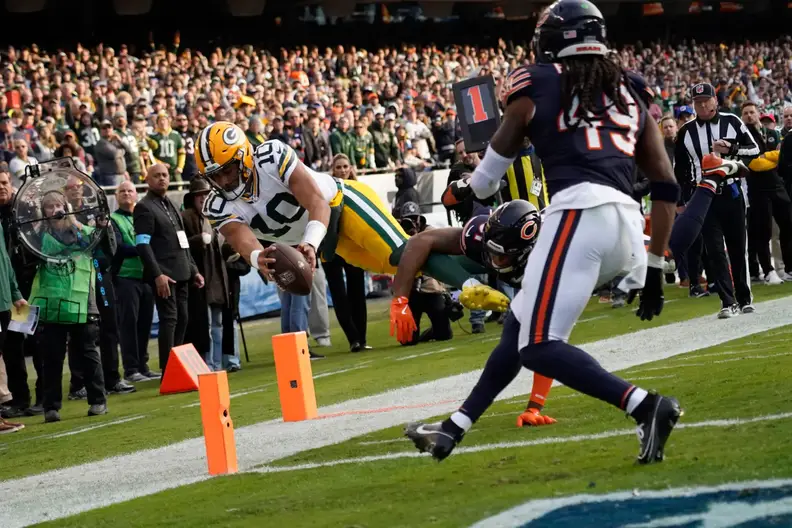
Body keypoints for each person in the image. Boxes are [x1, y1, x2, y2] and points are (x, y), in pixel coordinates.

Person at [406, 0, 682, 464]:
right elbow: (665, 183)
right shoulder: (631, 92)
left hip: (578, 214)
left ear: (553, 40)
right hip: (628, 227)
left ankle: (645, 405)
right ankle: (455, 427)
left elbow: (490, 177)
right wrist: (655, 267)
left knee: (536, 346)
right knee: (519, 325)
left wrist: (467, 186)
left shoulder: (536, 81)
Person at [194, 122, 508, 314]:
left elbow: (317, 201)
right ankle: (497, 257)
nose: (222, 180)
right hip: (326, 241)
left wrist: (309, 245)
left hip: (343, 203)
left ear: (244, 156)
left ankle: (469, 286)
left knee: (403, 252)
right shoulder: (217, 204)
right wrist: (258, 257)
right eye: (214, 175)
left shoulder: (271, 157)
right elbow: (240, 237)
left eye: (227, 170)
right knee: (404, 265)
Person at [392, 199, 555, 426]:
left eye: (501, 256)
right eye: (490, 250)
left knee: (529, 332)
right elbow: (422, 240)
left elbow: (547, 340)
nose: (493, 260)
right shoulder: (482, 235)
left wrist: (535, 407)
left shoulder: (547, 259)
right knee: (411, 253)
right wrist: (400, 300)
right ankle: (469, 284)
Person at [674, 82, 760, 318]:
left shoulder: (732, 121)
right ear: (693, 104)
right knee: (714, 250)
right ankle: (727, 301)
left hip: (731, 192)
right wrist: (683, 199)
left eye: (706, 100)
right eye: (697, 102)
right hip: (704, 196)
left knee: (737, 247)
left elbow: (754, 150)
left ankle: (744, 298)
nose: (702, 105)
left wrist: (731, 148)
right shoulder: (686, 132)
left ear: (715, 100)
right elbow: (680, 169)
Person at [32, 191, 114, 422]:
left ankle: (98, 400)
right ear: (43, 212)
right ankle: (51, 407)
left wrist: (103, 228)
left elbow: (106, 254)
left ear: (67, 206)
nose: (56, 209)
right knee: (52, 357)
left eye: (59, 204)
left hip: (83, 303)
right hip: (52, 304)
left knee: (89, 353)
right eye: (50, 206)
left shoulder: (83, 232)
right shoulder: (36, 237)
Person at [134, 164, 204, 375]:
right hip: (165, 275)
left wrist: (194, 269)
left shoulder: (172, 204)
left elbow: (183, 242)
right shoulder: (144, 207)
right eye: (157, 176)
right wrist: (157, 275)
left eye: (165, 175)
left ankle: (177, 365)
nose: (162, 179)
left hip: (183, 272)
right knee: (170, 320)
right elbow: (142, 244)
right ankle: (168, 369)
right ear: (147, 179)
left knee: (182, 318)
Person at [110, 181, 158, 382]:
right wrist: (144, 249)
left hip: (146, 276)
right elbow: (119, 247)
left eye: (130, 190)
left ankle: (143, 365)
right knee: (129, 324)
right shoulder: (113, 219)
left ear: (136, 194)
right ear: (116, 196)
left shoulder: (143, 216)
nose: (126, 194)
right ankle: (131, 369)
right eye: (122, 191)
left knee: (145, 323)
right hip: (126, 277)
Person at [323, 154, 370, 352]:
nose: (342, 170)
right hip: (331, 247)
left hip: (354, 247)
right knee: (339, 294)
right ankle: (353, 339)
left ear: (351, 168)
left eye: (345, 166)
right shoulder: (325, 190)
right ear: (332, 170)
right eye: (338, 167)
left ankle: (362, 337)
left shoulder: (360, 190)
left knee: (357, 292)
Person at [182, 178, 230, 371]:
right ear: (193, 198)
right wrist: (197, 240)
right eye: (199, 195)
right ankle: (207, 365)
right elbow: (181, 245)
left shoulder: (217, 217)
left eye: (206, 194)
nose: (203, 198)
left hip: (218, 276)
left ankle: (217, 364)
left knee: (218, 324)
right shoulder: (185, 217)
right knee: (205, 325)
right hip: (200, 277)